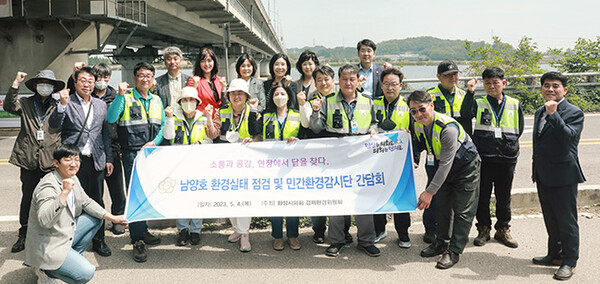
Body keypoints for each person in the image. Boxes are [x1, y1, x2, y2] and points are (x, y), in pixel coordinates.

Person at [25, 144, 126, 284]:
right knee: (86, 273)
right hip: (48, 243)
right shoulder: (47, 186)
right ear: (56, 163)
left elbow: (86, 202)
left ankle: (70, 260)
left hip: (62, 233)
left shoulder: (72, 178)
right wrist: (64, 193)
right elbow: (45, 221)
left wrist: (113, 218)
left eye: (77, 160)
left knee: (96, 218)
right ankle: (46, 270)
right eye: (68, 160)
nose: (74, 164)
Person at [309, 64, 380, 257]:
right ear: (338, 81)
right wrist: (315, 112)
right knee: (337, 200)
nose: (348, 83)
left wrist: (374, 129)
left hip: (362, 159)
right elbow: (316, 128)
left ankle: (366, 241)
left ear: (358, 80)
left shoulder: (368, 101)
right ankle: (337, 241)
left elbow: (375, 122)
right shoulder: (328, 101)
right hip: (337, 159)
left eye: (352, 79)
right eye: (344, 79)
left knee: (364, 200)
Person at [409, 90, 480, 269]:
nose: (418, 114)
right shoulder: (418, 124)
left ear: (431, 106)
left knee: (463, 211)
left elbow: (446, 163)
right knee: (442, 207)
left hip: (465, 168)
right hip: (442, 167)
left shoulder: (448, 128)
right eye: (413, 111)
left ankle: (454, 251)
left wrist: (429, 192)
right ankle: (441, 243)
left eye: (421, 109)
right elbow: (420, 145)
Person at [48, 66, 114, 257]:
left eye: (91, 81)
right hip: (73, 162)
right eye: (83, 80)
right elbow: (54, 125)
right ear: (75, 83)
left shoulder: (101, 105)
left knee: (97, 200)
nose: (87, 84)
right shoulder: (67, 102)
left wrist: (108, 158)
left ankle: (99, 240)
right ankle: (71, 240)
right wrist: (61, 105)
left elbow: (105, 134)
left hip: (96, 159)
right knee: (72, 201)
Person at [107, 62, 165, 262]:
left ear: (153, 79)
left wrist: (154, 142)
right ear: (134, 78)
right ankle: (137, 239)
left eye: (149, 75)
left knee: (147, 193)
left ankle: (143, 229)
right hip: (132, 154)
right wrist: (119, 96)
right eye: (141, 75)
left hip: (151, 153)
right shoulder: (126, 98)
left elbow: (163, 125)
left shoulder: (157, 100)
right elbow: (111, 117)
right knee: (136, 195)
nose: (145, 79)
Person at [460, 67, 524, 248]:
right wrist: (470, 91)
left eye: (496, 82)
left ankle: (503, 228)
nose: (492, 86)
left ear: (503, 83)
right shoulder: (479, 102)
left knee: (504, 196)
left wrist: (507, 144)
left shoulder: (514, 103)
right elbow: (465, 113)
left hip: (507, 157)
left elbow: (518, 129)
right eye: (487, 83)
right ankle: (483, 229)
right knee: (482, 196)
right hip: (485, 157)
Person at [532, 71, 585, 281]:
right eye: (546, 85)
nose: (550, 89)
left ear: (565, 89)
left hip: (564, 175)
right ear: (541, 89)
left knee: (567, 220)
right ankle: (554, 254)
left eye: (555, 86)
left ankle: (570, 261)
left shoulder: (574, 112)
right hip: (543, 174)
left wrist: (554, 115)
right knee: (550, 218)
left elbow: (568, 139)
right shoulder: (539, 111)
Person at [4, 70, 65, 253]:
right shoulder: (25, 103)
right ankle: (24, 233)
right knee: (28, 197)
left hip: (50, 160)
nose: (44, 86)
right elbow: (8, 106)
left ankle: (51, 231)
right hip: (29, 159)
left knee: (52, 197)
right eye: (41, 83)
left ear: (53, 87)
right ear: (35, 85)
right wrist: (16, 83)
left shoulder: (58, 105)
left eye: (48, 83)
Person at [247, 82, 303, 250]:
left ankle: (292, 236)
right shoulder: (265, 115)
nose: (279, 97)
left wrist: (298, 140)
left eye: (283, 94)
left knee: (292, 201)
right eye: (276, 94)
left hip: (292, 165)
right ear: (272, 98)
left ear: (288, 96)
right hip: (271, 165)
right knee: (275, 202)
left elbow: (305, 135)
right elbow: (254, 131)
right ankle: (277, 236)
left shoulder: (297, 114)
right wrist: (253, 110)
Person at [205, 78, 258, 252]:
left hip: (246, 164)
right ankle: (237, 229)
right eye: (233, 93)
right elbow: (213, 135)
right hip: (225, 163)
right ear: (228, 95)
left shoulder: (253, 112)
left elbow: (260, 136)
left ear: (246, 96)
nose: (236, 96)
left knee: (244, 197)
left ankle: (245, 234)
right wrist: (208, 118)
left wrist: (254, 139)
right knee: (228, 197)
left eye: (240, 93)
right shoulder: (222, 111)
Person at [164, 86, 220, 246]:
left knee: (198, 196)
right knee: (179, 197)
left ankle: (195, 230)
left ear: (197, 102)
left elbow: (210, 138)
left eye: (192, 100)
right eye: (185, 100)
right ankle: (182, 230)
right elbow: (169, 136)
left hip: (198, 164)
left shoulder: (203, 117)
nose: (189, 102)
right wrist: (168, 118)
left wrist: (200, 142)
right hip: (178, 164)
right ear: (180, 102)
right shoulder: (174, 117)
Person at [422, 59, 469, 244]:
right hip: (434, 153)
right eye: (447, 75)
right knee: (432, 190)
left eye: (455, 74)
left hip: (456, 153)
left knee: (453, 194)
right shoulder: (429, 96)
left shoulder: (464, 95)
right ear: (438, 77)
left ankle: (448, 230)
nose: (452, 78)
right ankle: (430, 228)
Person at [372, 67, 412, 248]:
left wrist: (416, 157)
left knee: (401, 195)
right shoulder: (372, 103)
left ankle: (403, 233)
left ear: (400, 85)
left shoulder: (408, 106)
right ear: (381, 85)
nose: (390, 88)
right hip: (377, 159)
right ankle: (379, 230)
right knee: (378, 195)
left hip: (400, 160)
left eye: (394, 84)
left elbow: (416, 134)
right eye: (386, 84)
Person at [92, 63, 127, 236]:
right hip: (93, 148)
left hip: (113, 146)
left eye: (106, 77)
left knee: (117, 188)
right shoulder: (87, 95)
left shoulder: (116, 95)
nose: (102, 80)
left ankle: (118, 219)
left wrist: (121, 146)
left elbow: (122, 123)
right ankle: (97, 221)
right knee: (95, 189)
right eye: (98, 77)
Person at [187, 47, 227, 116]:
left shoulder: (219, 80)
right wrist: (194, 87)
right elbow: (189, 103)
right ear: (199, 64)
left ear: (214, 62)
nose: (207, 64)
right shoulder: (194, 80)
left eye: (209, 60)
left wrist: (224, 89)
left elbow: (225, 103)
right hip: (203, 121)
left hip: (219, 120)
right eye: (203, 61)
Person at [155, 46, 191, 115]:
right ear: (165, 62)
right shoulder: (158, 82)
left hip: (184, 119)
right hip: (166, 119)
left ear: (181, 60)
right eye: (169, 59)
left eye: (175, 59)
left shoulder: (189, 80)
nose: (172, 62)